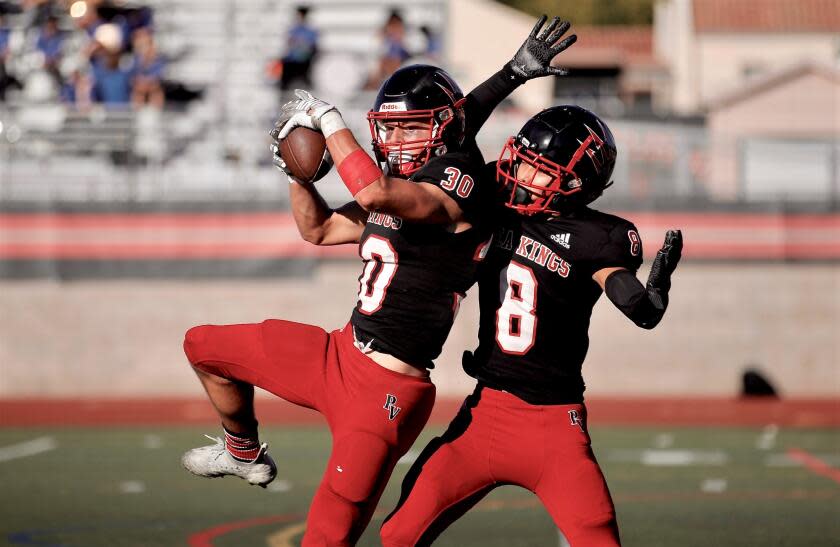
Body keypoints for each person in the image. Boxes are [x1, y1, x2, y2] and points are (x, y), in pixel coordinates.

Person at [180, 16, 577, 547]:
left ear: (441, 129)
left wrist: (324, 118)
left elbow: (377, 193)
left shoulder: (459, 186)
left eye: (410, 127)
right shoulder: (413, 173)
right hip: (337, 354)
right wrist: (297, 177)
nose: (395, 138)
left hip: (388, 392)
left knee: (326, 536)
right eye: (387, 128)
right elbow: (317, 229)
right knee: (204, 346)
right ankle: (243, 450)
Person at [379, 106, 683, 547]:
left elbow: (633, 303)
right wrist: (510, 77)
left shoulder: (597, 237)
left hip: (554, 426)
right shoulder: (493, 205)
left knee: (598, 539)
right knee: (399, 534)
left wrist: (652, 296)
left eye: (536, 168)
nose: (517, 171)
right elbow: (458, 137)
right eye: (519, 157)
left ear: (575, 183)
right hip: (483, 416)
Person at [279, 5, 318, 92]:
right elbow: (290, 44)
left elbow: (311, 46)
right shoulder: (293, 30)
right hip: (293, 61)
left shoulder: (310, 31)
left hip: (304, 61)